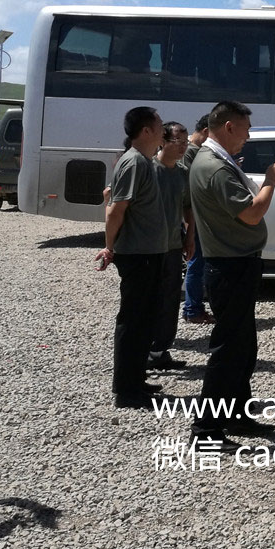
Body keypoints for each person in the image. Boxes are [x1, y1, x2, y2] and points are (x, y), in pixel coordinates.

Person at [188, 100, 275, 449]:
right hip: (230, 265)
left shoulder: (217, 160)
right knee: (228, 349)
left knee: (243, 346)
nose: (248, 136)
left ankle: (234, 415)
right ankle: (206, 431)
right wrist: (271, 182)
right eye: (246, 129)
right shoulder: (214, 166)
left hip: (237, 262)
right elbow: (250, 214)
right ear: (228, 126)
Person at [96, 107, 168, 409]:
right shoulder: (134, 162)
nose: (164, 131)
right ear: (147, 130)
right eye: (160, 126)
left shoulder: (145, 162)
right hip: (138, 255)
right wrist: (109, 246)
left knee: (145, 321)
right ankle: (126, 390)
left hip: (150, 253)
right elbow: (115, 209)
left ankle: (136, 379)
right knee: (133, 321)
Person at [148, 121, 193, 372]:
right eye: (179, 143)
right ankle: (145, 350)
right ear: (163, 141)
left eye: (186, 143)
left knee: (170, 299)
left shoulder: (182, 172)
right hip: (150, 247)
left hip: (174, 245)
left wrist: (190, 237)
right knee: (151, 300)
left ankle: (160, 350)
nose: (183, 148)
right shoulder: (149, 169)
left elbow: (188, 206)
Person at [181, 114, 214, 324]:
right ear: (204, 131)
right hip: (194, 217)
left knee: (198, 262)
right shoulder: (190, 153)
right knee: (196, 263)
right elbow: (189, 191)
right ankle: (192, 309)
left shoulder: (194, 151)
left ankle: (194, 308)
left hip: (197, 216)